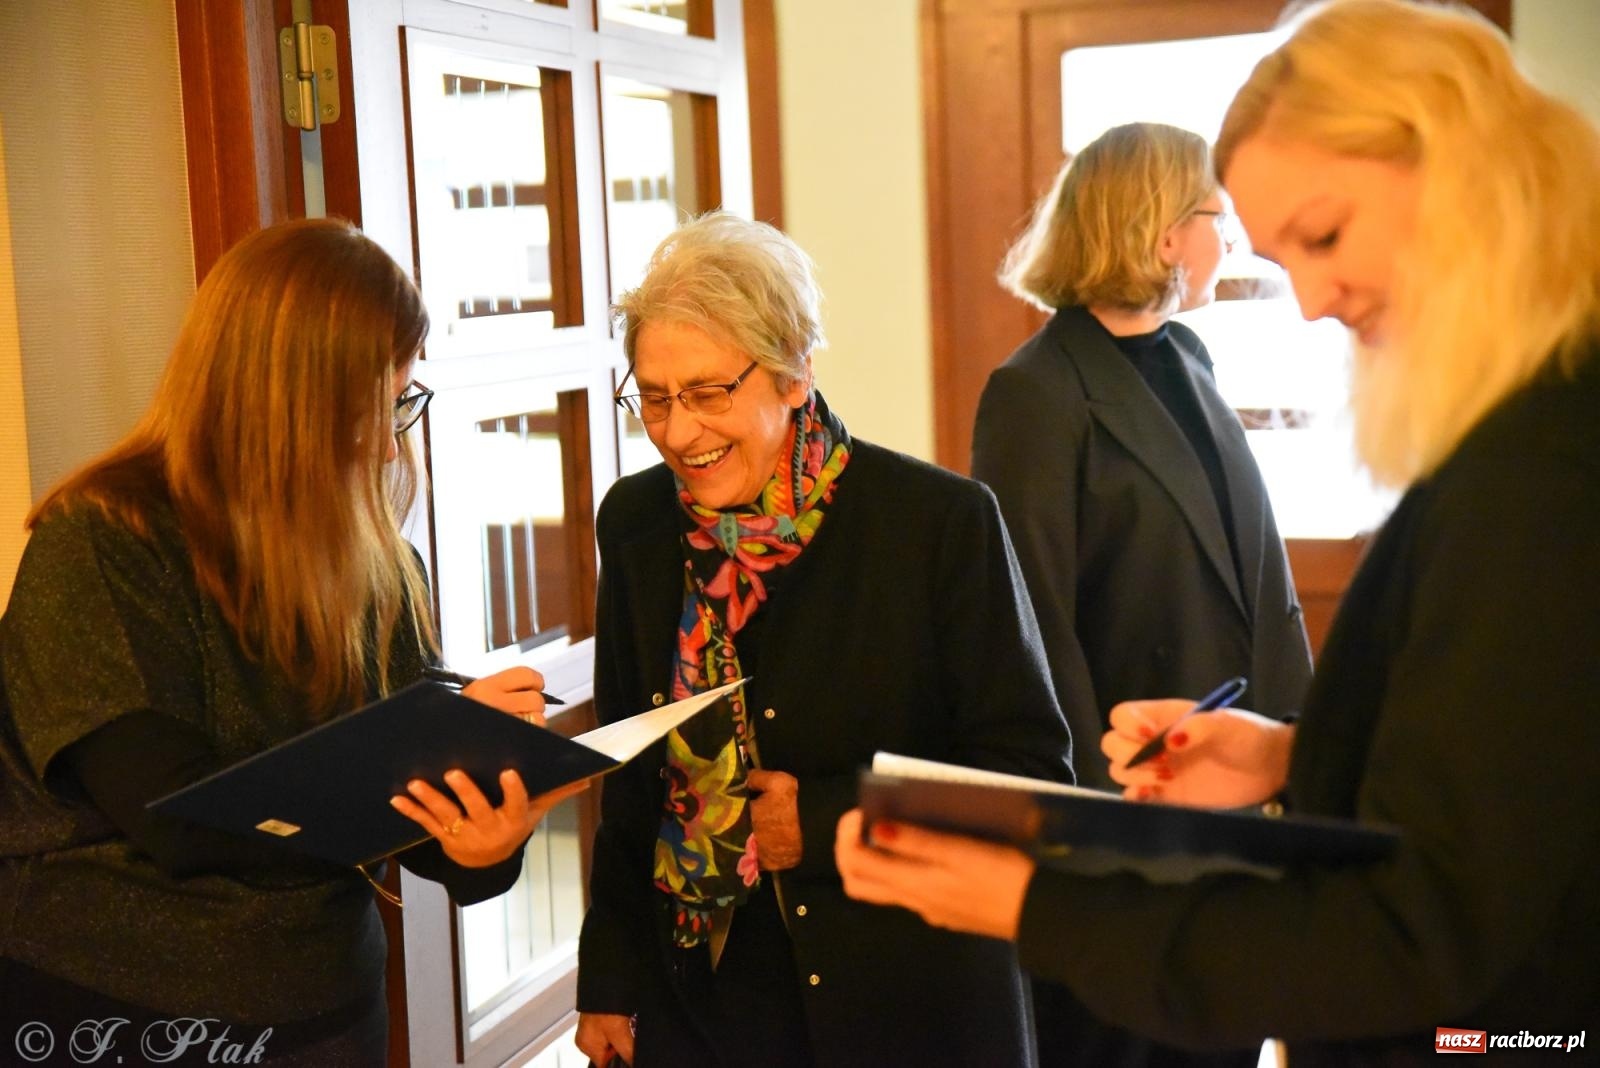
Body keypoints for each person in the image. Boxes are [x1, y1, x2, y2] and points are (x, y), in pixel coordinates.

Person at [835, 1, 1600, 1064]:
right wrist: (1288, 756)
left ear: (1464, 163)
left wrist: (1033, 904)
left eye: (1322, 237)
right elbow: (1514, 773)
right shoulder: (1040, 391)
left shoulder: (1544, 458)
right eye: (1282, 255)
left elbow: (1429, 924)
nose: (1313, 304)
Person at [0, 218, 578, 1065]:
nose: (387, 447)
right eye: (364, 412)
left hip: (327, 1005)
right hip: (119, 1009)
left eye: (401, 405)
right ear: (276, 400)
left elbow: (411, 828)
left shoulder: (378, 560)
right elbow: (183, 819)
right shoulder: (102, 542)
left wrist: (483, 843)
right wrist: (408, 761)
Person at [574, 212, 1073, 1068]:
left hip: (905, 1001)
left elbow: (1026, 774)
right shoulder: (636, 523)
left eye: (706, 393)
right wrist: (609, 977)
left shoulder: (938, 525)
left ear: (794, 374)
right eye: (651, 397)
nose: (676, 432)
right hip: (698, 989)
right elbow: (633, 777)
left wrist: (825, 815)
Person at [973, 120, 1313, 1067]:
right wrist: (1102, 831)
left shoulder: (1188, 355)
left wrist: (1304, 748)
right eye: (1218, 218)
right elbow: (1032, 628)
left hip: (1237, 792)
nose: (1230, 241)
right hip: (1129, 816)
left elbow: (1252, 574)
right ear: (1164, 233)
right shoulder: (1035, 390)